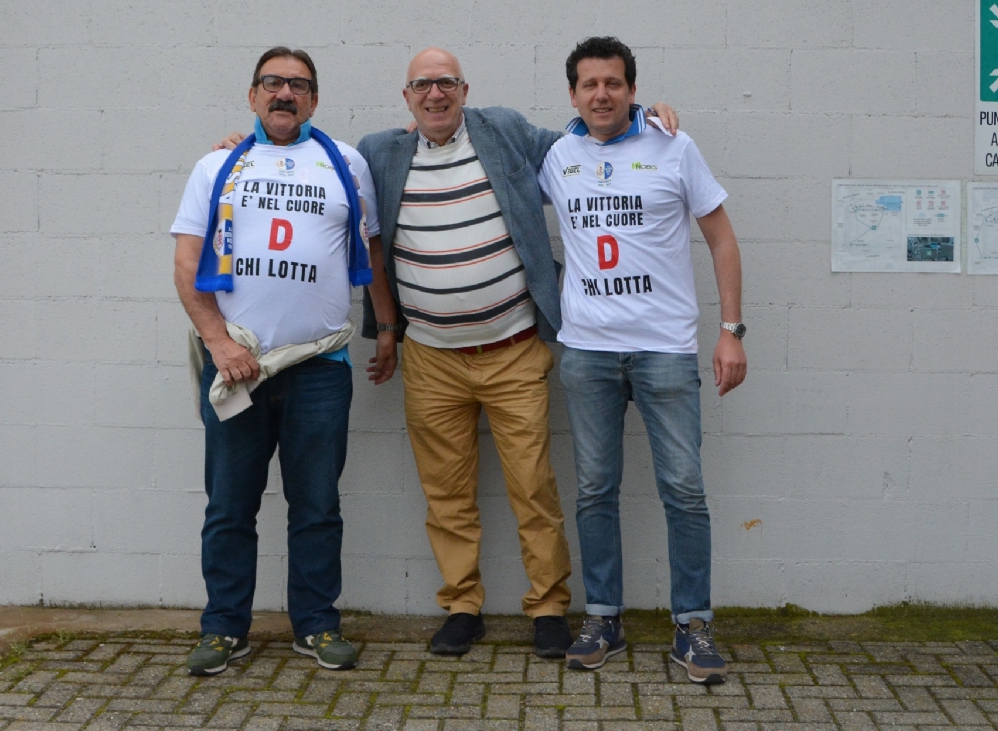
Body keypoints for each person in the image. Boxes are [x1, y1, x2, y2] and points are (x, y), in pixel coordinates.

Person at [356, 47, 679, 658]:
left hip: (513, 350)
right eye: (422, 85)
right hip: (431, 357)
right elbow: (319, 173)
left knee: (532, 485)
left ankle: (549, 607)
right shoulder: (381, 152)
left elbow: (583, 143)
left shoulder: (502, 129)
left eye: (446, 82)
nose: (434, 94)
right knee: (446, 492)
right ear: (406, 97)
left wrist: (644, 117)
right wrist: (241, 150)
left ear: (464, 88)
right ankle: (462, 605)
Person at [171, 47, 398, 676]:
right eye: (272, 83)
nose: (284, 94)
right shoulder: (217, 165)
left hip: (320, 367)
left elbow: (371, 251)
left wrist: (386, 327)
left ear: (314, 100)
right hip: (236, 365)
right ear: (252, 96)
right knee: (229, 506)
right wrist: (220, 344)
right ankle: (224, 630)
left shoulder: (344, 162)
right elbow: (187, 267)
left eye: (298, 85)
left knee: (318, 503)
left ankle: (317, 626)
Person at [537, 36, 747, 685]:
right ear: (572, 94)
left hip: (665, 350)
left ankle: (693, 626)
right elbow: (470, 151)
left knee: (683, 490)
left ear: (632, 89)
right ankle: (604, 618)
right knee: (595, 489)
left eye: (614, 83)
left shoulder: (673, 147)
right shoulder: (556, 156)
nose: (602, 94)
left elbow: (722, 240)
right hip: (588, 352)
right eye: (589, 84)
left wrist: (732, 330)